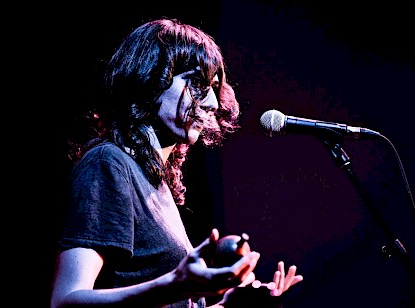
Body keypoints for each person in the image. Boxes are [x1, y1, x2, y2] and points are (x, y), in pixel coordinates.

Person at [50, 18, 303, 308]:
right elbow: (64, 301)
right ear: (149, 79)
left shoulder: (155, 184)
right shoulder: (109, 163)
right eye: (197, 83)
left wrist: (229, 302)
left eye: (213, 87)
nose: (212, 102)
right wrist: (176, 285)